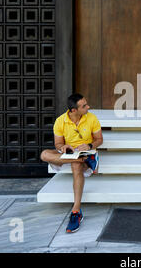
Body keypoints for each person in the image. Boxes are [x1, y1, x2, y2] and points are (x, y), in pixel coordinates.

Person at [40, 93, 103, 232]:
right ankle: (80, 160)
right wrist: (62, 147)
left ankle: (76, 211)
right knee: (44, 154)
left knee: (76, 165)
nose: (88, 107)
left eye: (86, 104)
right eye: (84, 106)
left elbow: (99, 139)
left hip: (86, 153)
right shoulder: (60, 121)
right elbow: (58, 143)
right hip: (69, 154)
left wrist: (90, 146)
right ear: (74, 110)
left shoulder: (91, 118)